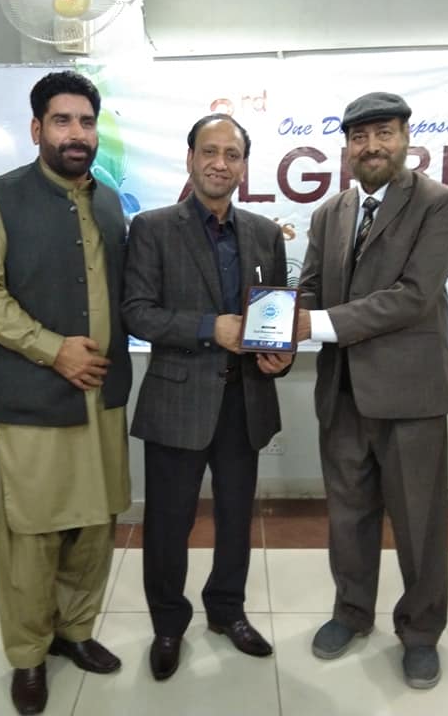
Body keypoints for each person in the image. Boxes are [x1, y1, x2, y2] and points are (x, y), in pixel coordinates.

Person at [0, 70, 131, 716]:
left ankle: (75, 631)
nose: (75, 133)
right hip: (32, 398)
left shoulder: (109, 202)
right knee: (31, 536)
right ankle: (29, 655)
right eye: (62, 121)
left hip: (101, 397)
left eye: (86, 121)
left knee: (94, 527)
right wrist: (51, 348)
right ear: (37, 129)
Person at [295, 92, 448, 689]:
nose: (372, 147)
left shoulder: (436, 202)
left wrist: (315, 324)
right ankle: (351, 612)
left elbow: (413, 296)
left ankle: (420, 632)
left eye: (384, 133)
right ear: (346, 147)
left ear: (405, 138)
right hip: (342, 392)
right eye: (359, 137)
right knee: (348, 517)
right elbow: (310, 287)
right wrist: (278, 328)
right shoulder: (329, 212)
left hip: (410, 395)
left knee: (419, 524)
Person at [122, 114, 292, 681]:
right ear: (190, 158)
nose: (221, 163)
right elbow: (136, 312)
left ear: (244, 166)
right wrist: (207, 328)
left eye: (232, 154)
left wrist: (280, 355)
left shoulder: (266, 233)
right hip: (177, 401)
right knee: (168, 524)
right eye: (210, 152)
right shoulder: (152, 228)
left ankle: (227, 611)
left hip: (246, 401)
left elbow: (275, 315)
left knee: (236, 519)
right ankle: (169, 623)